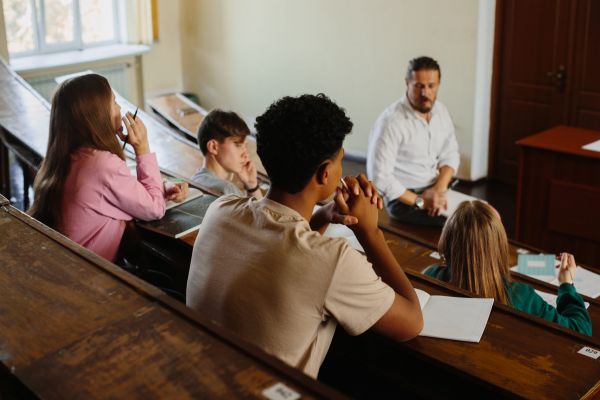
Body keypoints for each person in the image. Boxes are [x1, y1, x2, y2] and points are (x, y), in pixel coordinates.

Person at [187, 94, 423, 378]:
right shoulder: (334, 261)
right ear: (325, 173)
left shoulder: (220, 210)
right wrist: (370, 233)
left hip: (201, 378)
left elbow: (283, 246)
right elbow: (412, 322)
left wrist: (323, 214)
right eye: (340, 161)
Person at [29, 74, 188, 262]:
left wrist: (163, 187)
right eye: (114, 102)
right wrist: (142, 148)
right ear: (97, 113)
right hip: (89, 277)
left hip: (61, 265)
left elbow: (117, 192)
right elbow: (154, 209)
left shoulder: (68, 156)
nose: (120, 109)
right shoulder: (101, 164)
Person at [423, 200, 591, 336]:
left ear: (447, 239)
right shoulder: (521, 296)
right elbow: (579, 330)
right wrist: (566, 285)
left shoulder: (431, 274)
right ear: (499, 245)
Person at [367, 56, 460, 227]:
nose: (425, 93)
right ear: (407, 83)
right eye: (418, 86)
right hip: (404, 200)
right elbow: (379, 178)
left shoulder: (441, 111)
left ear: (438, 84)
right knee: (468, 224)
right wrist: (421, 202)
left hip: (436, 188)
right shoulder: (390, 121)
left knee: (489, 213)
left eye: (431, 86)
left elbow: (451, 154)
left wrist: (438, 189)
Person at [191, 109, 263, 199]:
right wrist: (254, 188)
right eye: (237, 145)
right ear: (213, 147)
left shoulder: (193, 181)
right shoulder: (227, 191)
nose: (246, 155)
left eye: (245, 146)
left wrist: (251, 185)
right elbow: (262, 213)